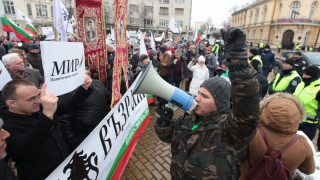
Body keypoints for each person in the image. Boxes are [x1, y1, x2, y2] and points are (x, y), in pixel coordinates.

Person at [155, 27, 259, 179]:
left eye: (205, 96)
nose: (197, 98)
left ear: (219, 103)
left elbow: (247, 108)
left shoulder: (229, 131)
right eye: (198, 94)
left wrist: (238, 61)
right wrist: (163, 122)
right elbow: (168, 137)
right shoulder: (189, 118)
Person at [0, 77, 92, 180]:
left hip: (65, 170)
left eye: (38, 96)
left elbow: (67, 107)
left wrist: (84, 89)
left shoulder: (37, 110)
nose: (38, 101)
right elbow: (26, 149)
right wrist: (47, 116)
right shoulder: (5, 128)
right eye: (31, 99)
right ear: (11, 103)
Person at [239, 93, 315, 179]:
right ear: (298, 115)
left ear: (264, 110)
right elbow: (309, 170)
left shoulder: (252, 133)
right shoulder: (303, 144)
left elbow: (238, 157)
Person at [60, 64, 111, 151]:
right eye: (82, 70)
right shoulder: (69, 91)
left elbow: (108, 99)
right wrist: (72, 140)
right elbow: (65, 117)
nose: (86, 71)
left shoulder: (98, 83)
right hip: (84, 136)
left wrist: (116, 97)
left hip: (103, 129)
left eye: (87, 68)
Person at [294, 66, 320, 144]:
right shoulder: (301, 83)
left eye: (307, 75)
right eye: (304, 73)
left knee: (303, 145)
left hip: (308, 124)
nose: (304, 76)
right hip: (295, 119)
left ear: (314, 76)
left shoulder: (318, 88)